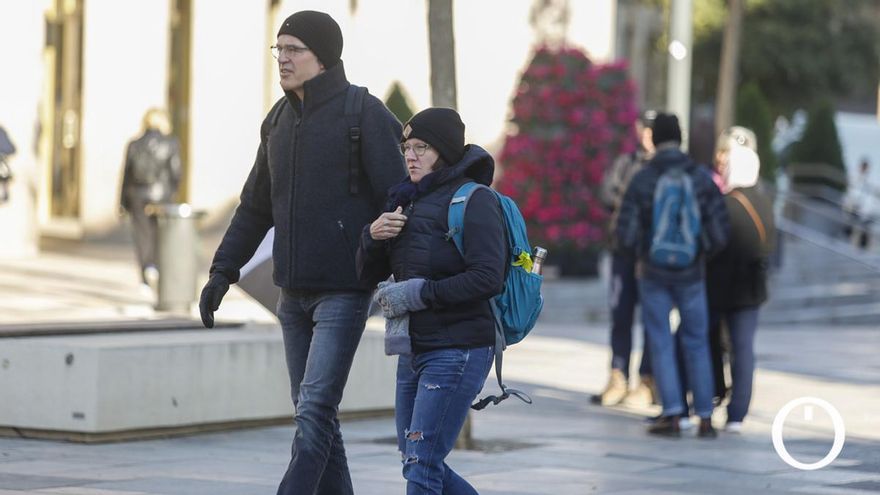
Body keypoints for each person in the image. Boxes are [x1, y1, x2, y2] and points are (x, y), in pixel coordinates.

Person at [197, 11, 405, 495]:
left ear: (323, 56)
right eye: (279, 49)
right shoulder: (277, 121)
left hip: (345, 291)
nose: (283, 59)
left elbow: (398, 197)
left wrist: (390, 264)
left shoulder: (364, 112)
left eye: (294, 49)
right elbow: (254, 207)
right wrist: (222, 272)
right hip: (291, 294)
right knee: (317, 415)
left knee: (313, 410)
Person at [357, 107, 506, 494]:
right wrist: (373, 238)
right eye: (406, 146)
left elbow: (488, 278)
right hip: (413, 347)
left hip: (458, 350)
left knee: (422, 465)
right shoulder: (404, 200)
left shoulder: (475, 201)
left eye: (421, 147)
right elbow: (366, 275)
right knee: (416, 459)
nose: (410, 155)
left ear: (444, 151)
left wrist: (420, 293)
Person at [615, 112, 729, 438]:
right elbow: (720, 231)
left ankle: (674, 413)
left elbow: (624, 232)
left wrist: (643, 252)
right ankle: (706, 416)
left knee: (661, 341)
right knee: (697, 341)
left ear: (657, 136)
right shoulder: (700, 178)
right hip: (692, 274)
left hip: (652, 273)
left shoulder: (643, 177)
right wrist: (699, 253)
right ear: (679, 137)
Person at [707, 141, 775, 433]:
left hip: (723, 289)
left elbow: (714, 246)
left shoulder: (727, 203)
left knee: (714, 344)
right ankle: (738, 413)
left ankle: (714, 395)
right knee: (744, 348)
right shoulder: (764, 201)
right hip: (753, 289)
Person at [594, 110, 657, 407]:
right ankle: (618, 375)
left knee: (651, 318)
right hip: (623, 251)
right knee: (621, 315)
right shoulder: (626, 163)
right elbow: (607, 192)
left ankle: (647, 379)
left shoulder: (664, 167)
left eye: (651, 130)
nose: (646, 135)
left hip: (652, 256)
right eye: (643, 129)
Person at [119, 108, 181, 288]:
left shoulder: (134, 144)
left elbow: (126, 176)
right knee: (160, 235)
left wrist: (122, 202)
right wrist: (171, 194)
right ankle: (156, 267)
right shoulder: (171, 143)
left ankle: (146, 272)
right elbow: (176, 173)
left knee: (142, 235)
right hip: (162, 196)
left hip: (137, 195)